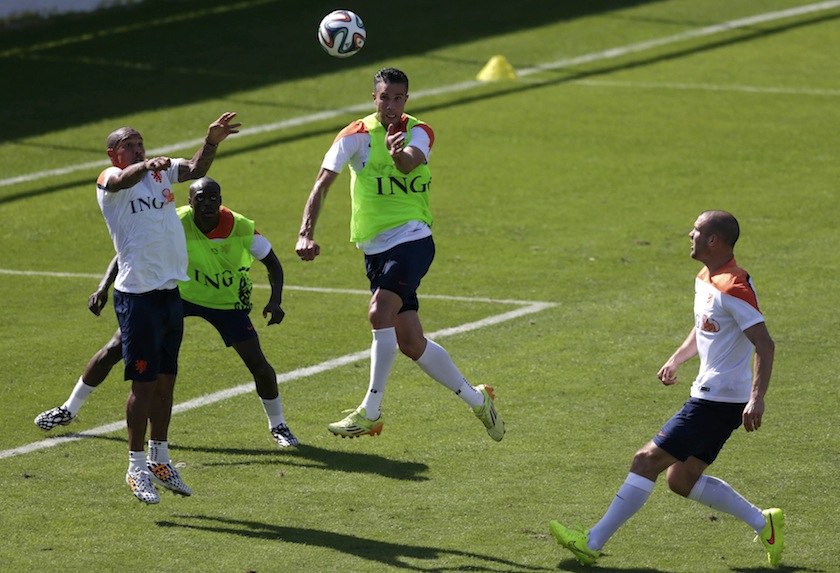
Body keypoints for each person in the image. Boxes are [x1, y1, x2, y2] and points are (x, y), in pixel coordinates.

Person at [549, 210, 783, 567]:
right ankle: (763, 522)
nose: (690, 235)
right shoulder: (706, 277)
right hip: (711, 397)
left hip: (717, 402)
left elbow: (764, 344)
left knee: (646, 461)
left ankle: (592, 541)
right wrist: (677, 359)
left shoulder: (733, 286)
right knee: (681, 479)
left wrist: (757, 398)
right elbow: (704, 327)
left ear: (713, 241)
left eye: (697, 231)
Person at [295, 67, 505, 441]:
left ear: (406, 99)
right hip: (374, 249)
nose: (391, 105)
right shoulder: (354, 137)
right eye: (384, 97)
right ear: (373, 98)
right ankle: (478, 399)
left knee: (379, 311)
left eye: (398, 98)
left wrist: (396, 155)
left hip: (412, 239)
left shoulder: (421, 132)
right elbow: (323, 183)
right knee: (410, 342)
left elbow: (409, 162)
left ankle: (370, 411)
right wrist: (305, 233)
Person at [35, 177, 298, 451]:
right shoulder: (173, 221)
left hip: (225, 301)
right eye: (200, 198)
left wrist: (275, 300)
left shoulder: (240, 226)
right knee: (116, 347)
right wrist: (103, 288)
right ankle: (68, 409)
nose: (207, 203)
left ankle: (278, 425)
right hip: (176, 295)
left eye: (213, 198)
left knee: (258, 365)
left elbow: (273, 264)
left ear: (220, 200)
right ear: (189, 201)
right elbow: (130, 250)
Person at [94, 114, 239, 504]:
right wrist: (145, 164)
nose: (138, 149)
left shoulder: (160, 174)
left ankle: (160, 458)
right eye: (129, 145)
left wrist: (212, 142)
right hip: (137, 296)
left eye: (140, 143)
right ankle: (136, 466)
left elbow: (195, 168)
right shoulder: (109, 181)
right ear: (114, 153)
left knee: (166, 381)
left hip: (169, 293)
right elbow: (124, 179)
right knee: (142, 385)